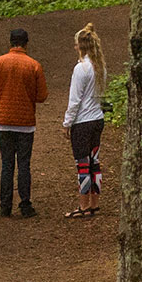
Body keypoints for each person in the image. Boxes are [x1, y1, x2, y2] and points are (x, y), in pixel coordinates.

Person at [0, 28, 48, 218]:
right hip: (25, 123)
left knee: (6, 164)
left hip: (3, 121)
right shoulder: (34, 65)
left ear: (10, 42)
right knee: (24, 164)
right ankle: (25, 204)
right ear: (26, 43)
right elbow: (42, 95)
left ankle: (5, 206)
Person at [63, 23, 108, 218]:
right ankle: (94, 203)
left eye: (76, 45)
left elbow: (75, 100)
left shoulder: (81, 69)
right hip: (98, 119)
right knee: (94, 162)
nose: (75, 48)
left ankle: (83, 205)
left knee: (82, 164)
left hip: (82, 122)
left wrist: (67, 123)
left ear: (81, 46)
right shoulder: (100, 68)